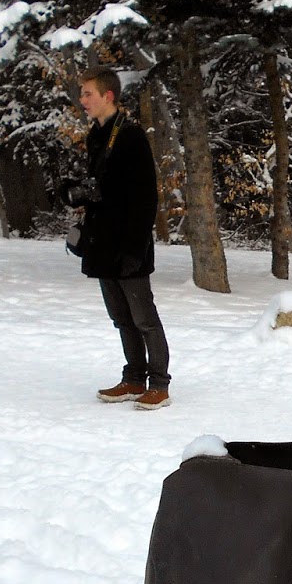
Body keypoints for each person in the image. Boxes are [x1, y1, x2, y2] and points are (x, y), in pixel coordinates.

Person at [67, 67, 171, 410]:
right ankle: (133, 379)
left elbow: (146, 199)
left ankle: (159, 384)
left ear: (107, 95)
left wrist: (133, 249)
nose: (82, 100)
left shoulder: (130, 136)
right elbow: (105, 190)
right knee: (122, 319)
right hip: (103, 243)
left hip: (129, 245)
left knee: (144, 319)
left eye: (88, 94)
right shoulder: (96, 135)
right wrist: (77, 193)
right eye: (82, 93)